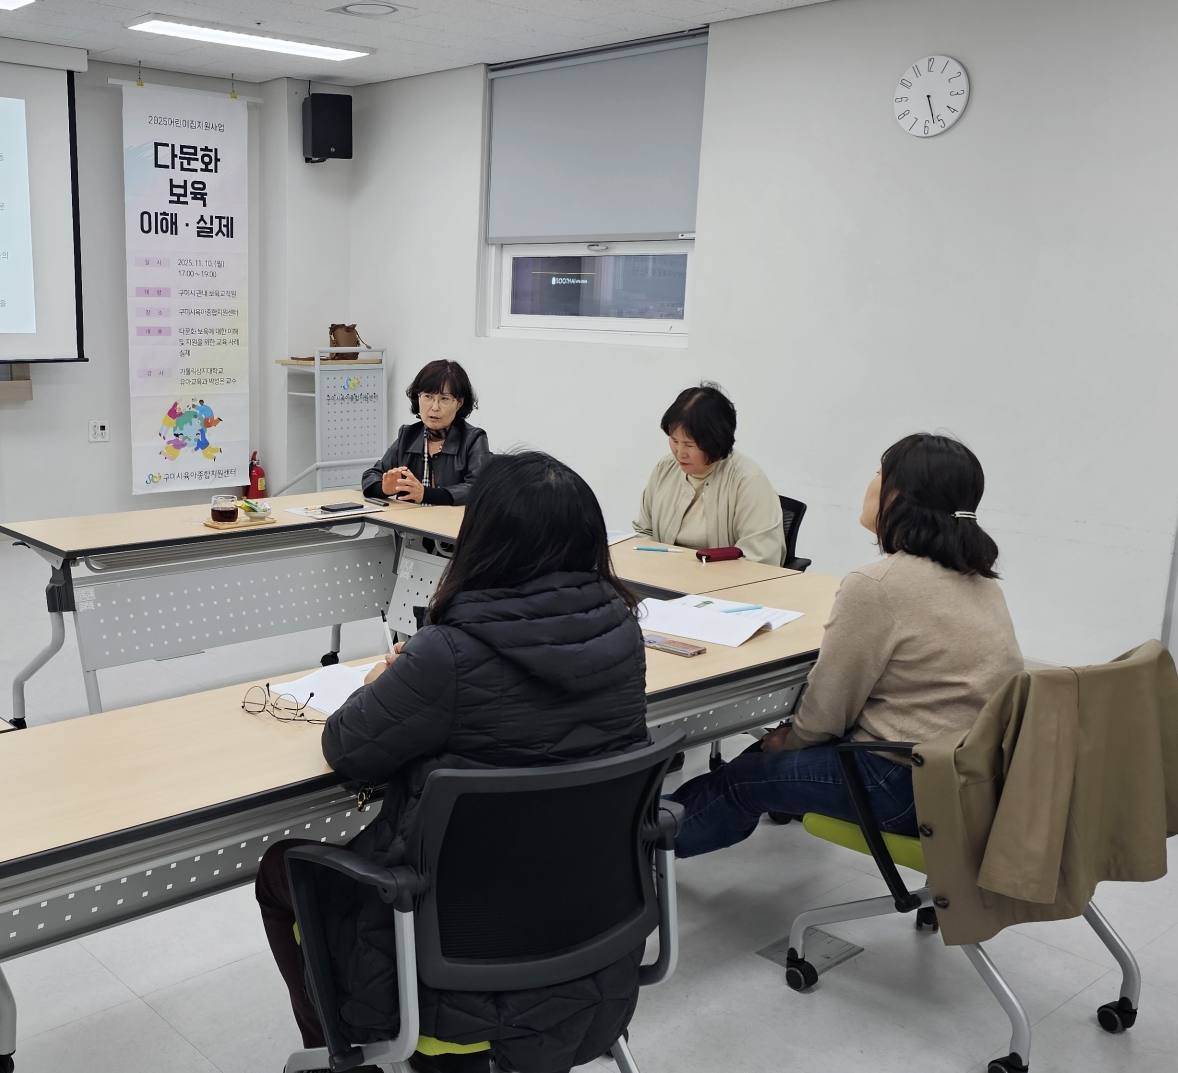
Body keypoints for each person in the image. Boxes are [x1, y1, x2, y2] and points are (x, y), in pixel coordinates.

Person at [259, 451, 649, 1073]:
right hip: (587, 941)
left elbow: (348, 749)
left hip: (448, 967)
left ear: (483, 539)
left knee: (283, 869)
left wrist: (386, 681)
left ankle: (343, 1053)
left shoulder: (449, 652)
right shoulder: (624, 634)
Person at [667, 433, 1023, 857]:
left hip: (905, 783)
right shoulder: (980, 579)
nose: (870, 483)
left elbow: (830, 706)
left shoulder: (879, 585)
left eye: (879, 474)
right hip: (973, 780)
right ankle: (651, 831)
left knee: (744, 778)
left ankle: (637, 853)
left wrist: (790, 743)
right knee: (758, 757)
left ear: (898, 497)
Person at [633, 383, 787, 565]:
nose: (679, 452)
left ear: (714, 441)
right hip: (664, 574)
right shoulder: (665, 468)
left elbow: (760, 558)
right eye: (674, 440)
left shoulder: (748, 481)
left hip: (721, 580)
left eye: (689, 445)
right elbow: (643, 531)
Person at [361, 359, 491, 506]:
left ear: (459, 403)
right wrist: (384, 488)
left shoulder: (473, 439)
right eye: (428, 396)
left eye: (444, 399)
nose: (435, 407)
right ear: (418, 397)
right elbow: (371, 475)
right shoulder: (408, 436)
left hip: (453, 521)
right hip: (410, 520)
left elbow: (480, 487)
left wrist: (426, 494)